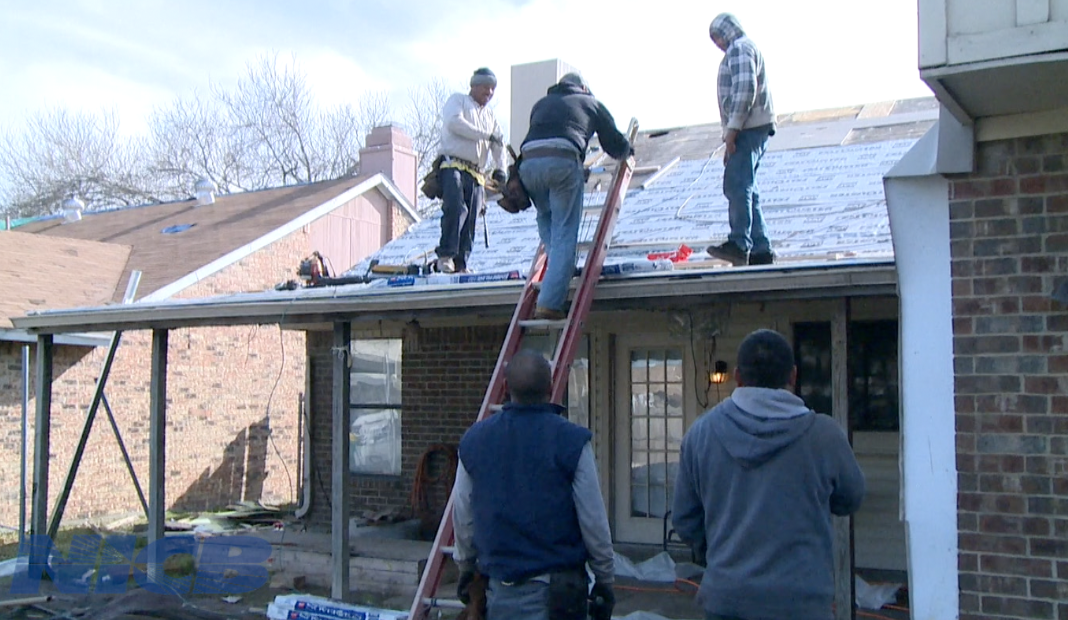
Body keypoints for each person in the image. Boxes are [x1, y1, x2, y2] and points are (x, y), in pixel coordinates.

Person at [672, 329, 865, 620]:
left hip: (727, 601)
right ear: (793, 376)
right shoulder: (824, 436)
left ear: (737, 376)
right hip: (801, 604)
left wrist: (721, 554)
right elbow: (850, 499)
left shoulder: (701, 433)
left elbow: (686, 521)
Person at [452, 350, 615, 620]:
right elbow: (593, 521)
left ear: (504, 388)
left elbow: (463, 514)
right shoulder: (571, 442)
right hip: (560, 598)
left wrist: (466, 566)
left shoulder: (474, 441)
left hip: (499, 594)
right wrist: (605, 579)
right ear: (551, 388)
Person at [518, 73, 633, 320]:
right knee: (565, 234)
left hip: (528, 167)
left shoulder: (541, 103)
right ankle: (549, 302)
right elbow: (614, 143)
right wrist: (628, 151)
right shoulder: (590, 102)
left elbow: (540, 136)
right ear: (583, 87)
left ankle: (558, 272)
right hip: (561, 164)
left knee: (547, 219)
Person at [705, 13, 777, 268]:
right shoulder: (744, 48)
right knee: (748, 187)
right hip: (752, 128)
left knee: (737, 185)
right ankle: (760, 248)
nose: (718, 45)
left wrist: (732, 132)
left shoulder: (740, 49)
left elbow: (745, 90)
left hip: (748, 127)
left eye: (717, 38)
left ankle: (739, 243)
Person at [436, 67, 508, 274]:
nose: (490, 92)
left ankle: (461, 262)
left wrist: (500, 169)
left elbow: (498, 143)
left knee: (472, 217)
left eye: (493, 88)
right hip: (453, 165)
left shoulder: (490, 117)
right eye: (486, 87)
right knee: (456, 208)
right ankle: (446, 255)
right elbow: (454, 123)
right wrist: (485, 135)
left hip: (476, 172)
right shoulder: (458, 101)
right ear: (474, 86)